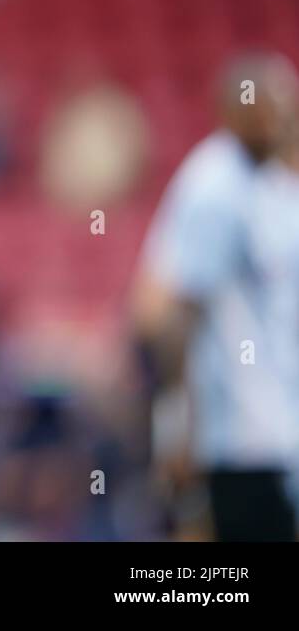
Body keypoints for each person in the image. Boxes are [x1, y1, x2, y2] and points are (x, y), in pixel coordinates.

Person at [136, 52, 299, 541]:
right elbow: (171, 317)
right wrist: (176, 434)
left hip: (275, 430)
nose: (279, 118)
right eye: (266, 107)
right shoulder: (213, 187)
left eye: (285, 106)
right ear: (233, 111)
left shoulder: (272, 183)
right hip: (232, 442)